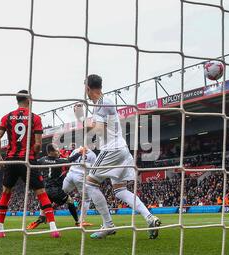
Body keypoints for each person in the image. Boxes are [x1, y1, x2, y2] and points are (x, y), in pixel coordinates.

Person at [82, 74, 161, 240]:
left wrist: (83, 122)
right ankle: (150, 218)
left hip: (111, 150)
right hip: (121, 150)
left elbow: (99, 129)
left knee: (90, 184)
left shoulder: (101, 103)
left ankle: (108, 225)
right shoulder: (105, 102)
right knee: (120, 190)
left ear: (88, 88)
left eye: (85, 88)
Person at [0, 90, 59, 238]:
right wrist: (33, 157)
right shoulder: (34, 118)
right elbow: (37, 144)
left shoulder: (7, 117)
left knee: (6, 193)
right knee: (41, 193)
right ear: (29, 100)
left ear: (17, 101)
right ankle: (53, 228)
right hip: (27, 159)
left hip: (11, 159)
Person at [26, 143, 86, 230]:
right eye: (56, 150)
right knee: (70, 201)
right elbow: (70, 159)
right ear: (51, 152)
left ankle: (39, 220)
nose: (58, 151)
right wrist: (80, 152)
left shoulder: (42, 160)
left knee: (45, 205)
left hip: (44, 189)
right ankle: (77, 222)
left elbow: (33, 163)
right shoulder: (59, 161)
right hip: (55, 190)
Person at [62, 141, 97, 227]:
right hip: (80, 176)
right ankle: (81, 221)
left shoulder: (76, 150)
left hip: (70, 174)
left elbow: (69, 160)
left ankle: (45, 214)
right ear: (91, 144)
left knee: (60, 194)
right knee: (87, 199)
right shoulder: (92, 154)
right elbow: (93, 169)